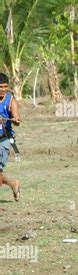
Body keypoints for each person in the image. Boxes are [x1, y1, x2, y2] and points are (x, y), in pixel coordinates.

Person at [0, 73, 21, 201]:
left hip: (4, 139)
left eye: (5, 87)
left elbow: (16, 120)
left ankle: (13, 184)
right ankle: (13, 184)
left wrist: (15, 120)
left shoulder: (10, 100)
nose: (3, 89)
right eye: (0, 87)